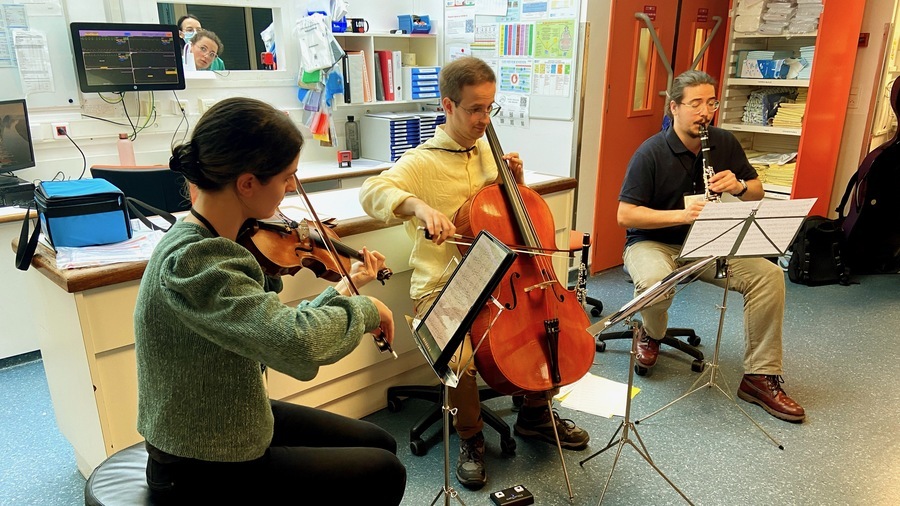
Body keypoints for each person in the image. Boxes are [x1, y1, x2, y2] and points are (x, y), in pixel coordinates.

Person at [134, 97, 406, 504]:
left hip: (229, 416)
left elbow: (268, 327)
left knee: (379, 441)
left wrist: (344, 292)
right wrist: (365, 310)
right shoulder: (194, 259)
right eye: (287, 177)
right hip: (199, 461)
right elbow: (295, 344)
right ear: (246, 183)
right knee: (384, 472)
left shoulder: (216, 242)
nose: (292, 188)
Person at [359, 56, 590, 491]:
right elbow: (372, 192)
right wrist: (419, 207)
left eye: (490, 108)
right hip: (445, 283)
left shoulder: (489, 150)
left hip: (505, 279)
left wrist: (516, 183)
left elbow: (508, 219)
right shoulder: (421, 161)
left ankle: (535, 416)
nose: (485, 119)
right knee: (458, 350)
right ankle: (470, 438)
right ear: (448, 105)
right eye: (475, 109)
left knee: (544, 324)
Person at [617, 69, 806, 423]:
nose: (705, 112)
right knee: (655, 283)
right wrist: (680, 215)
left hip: (709, 242)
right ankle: (651, 333)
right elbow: (625, 215)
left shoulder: (724, 142)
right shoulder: (651, 152)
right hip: (653, 241)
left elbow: (756, 190)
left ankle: (759, 377)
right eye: (695, 104)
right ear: (674, 107)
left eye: (711, 103)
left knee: (768, 277)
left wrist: (737, 186)